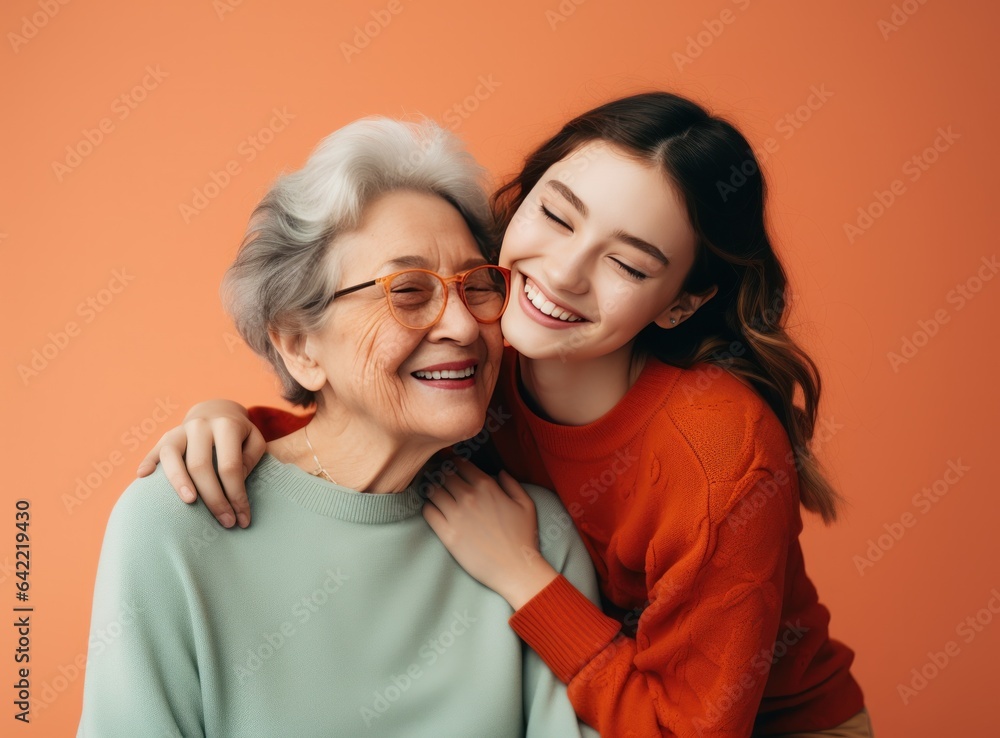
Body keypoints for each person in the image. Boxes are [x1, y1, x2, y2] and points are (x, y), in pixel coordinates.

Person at [138, 93, 873, 737]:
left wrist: (525, 579)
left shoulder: (720, 450)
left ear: (680, 303)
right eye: (556, 215)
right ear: (519, 199)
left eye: (630, 264)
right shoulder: (487, 339)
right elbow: (375, 410)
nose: (561, 272)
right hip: (592, 693)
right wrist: (236, 423)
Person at [77, 117, 602, 738]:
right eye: (409, 292)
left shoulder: (537, 538)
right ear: (300, 345)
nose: (463, 327)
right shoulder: (175, 523)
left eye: (476, 286)